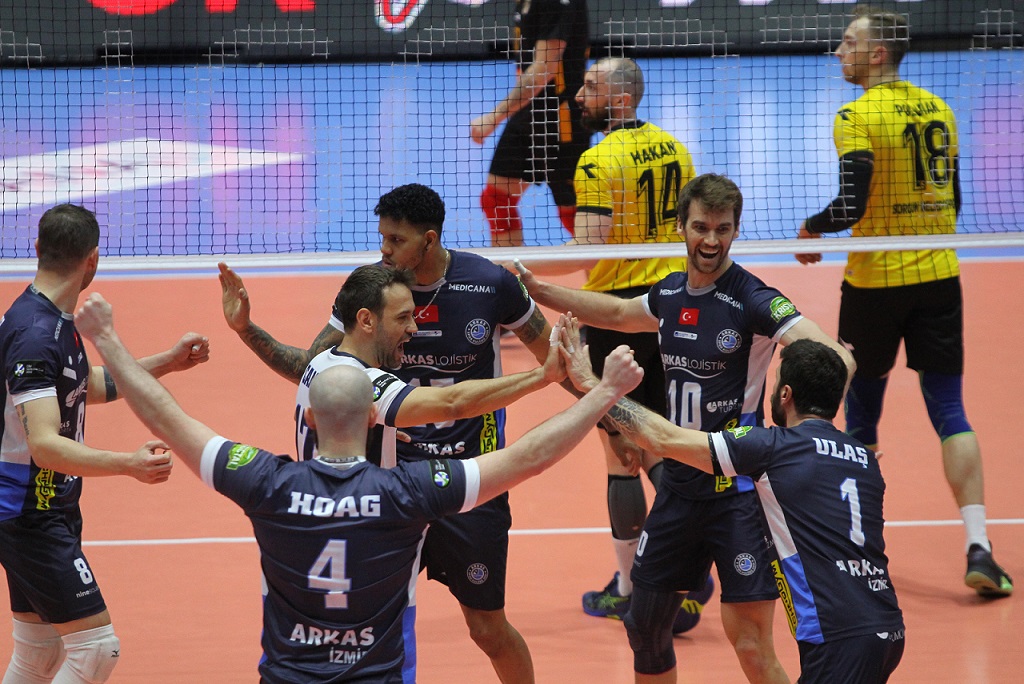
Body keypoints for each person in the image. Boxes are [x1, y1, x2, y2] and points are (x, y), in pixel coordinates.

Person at [75, 294, 644, 683]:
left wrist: (106, 339)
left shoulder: (267, 482)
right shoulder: (409, 491)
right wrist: (603, 393)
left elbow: (168, 418)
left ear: (311, 419)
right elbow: (530, 457)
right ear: (375, 418)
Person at [219, 184, 568, 683]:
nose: (384, 249)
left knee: (488, 630)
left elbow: (554, 358)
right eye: (382, 237)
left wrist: (612, 413)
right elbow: (315, 369)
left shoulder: (490, 283)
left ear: (429, 240)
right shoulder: (371, 292)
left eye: (396, 240)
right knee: (373, 622)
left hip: (469, 479)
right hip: (392, 484)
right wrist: (247, 330)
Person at [517, 173, 855, 683]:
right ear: (681, 226)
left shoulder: (755, 299)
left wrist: (806, 422)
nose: (711, 240)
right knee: (645, 628)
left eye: (723, 229)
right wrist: (542, 290)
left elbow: (834, 357)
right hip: (678, 487)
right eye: (701, 227)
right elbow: (619, 312)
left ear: (736, 229)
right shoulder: (671, 292)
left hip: (738, 495)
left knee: (750, 643)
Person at [795, 5, 1012, 598]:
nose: (838, 52)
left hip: (875, 286)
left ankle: (859, 550)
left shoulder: (857, 114)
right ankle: (980, 547)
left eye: (848, 43)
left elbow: (851, 204)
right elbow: (955, 197)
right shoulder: (939, 107)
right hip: (939, 276)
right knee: (951, 410)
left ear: (877, 53)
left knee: (861, 419)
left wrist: (811, 230)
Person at [559, 326, 905, 684]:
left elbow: (660, 437)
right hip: (887, 626)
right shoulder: (863, 459)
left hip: (840, 640)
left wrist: (595, 386)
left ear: (785, 394)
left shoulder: (772, 447)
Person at [522, 56, 704, 625]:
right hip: (672, 309)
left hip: (615, 315)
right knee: (663, 439)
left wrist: (524, 271)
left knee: (622, 453)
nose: (579, 94)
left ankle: (631, 588)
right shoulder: (676, 148)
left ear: (621, 99)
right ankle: (690, 567)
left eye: (592, 87)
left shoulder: (598, 160)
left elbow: (590, 250)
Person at [0, 204, 209, 683]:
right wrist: (127, 463)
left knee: (38, 653)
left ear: (38, 248)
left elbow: (81, 385)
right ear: (92, 259)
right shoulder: (36, 335)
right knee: (96, 649)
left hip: (46, 505)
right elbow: (44, 445)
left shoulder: (50, 319)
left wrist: (167, 362)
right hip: (29, 512)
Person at [470, 0, 590, 247]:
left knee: (577, 214)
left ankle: (625, 263)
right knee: (496, 199)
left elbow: (544, 68)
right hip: (529, 111)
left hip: (561, 119)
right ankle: (509, 271)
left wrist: (494, 117)